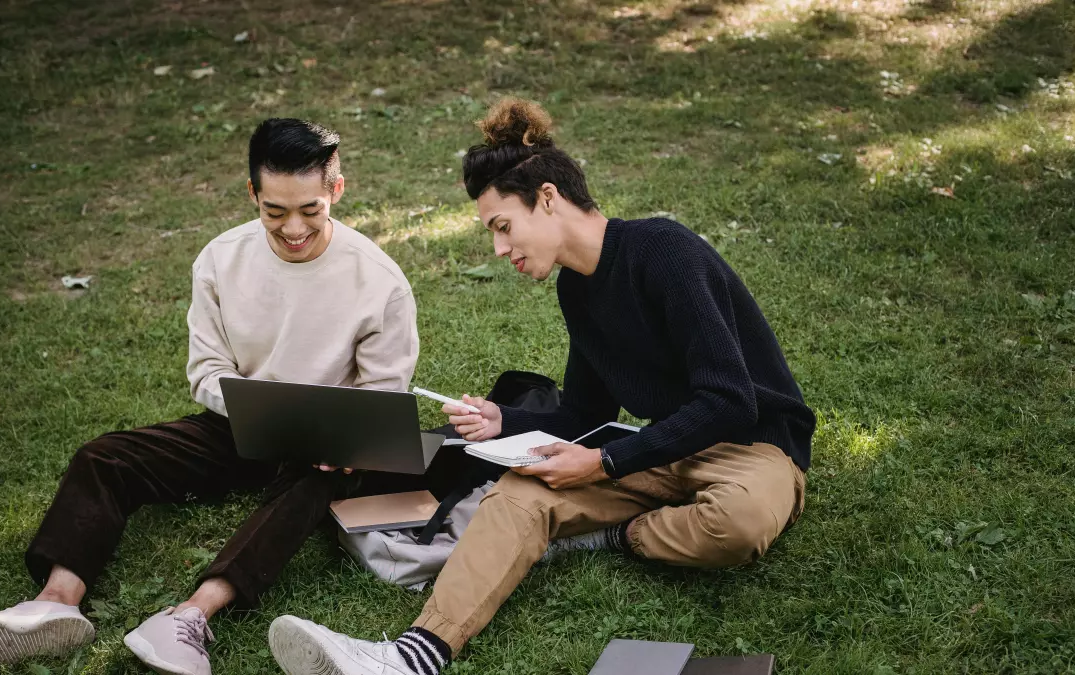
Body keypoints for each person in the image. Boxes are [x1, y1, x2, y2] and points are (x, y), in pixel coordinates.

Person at [266, 98, 818, 675]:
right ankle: (411, 657)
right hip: (661, 450)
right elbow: (586, 411)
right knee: (516, 496)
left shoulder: (664, 252)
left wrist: (605, 461)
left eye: (503, 227)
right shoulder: (577, 290)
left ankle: (610, 536)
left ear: (548, 197)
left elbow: (731, 400)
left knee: (739, 524)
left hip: (755, 448)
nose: (499, 249)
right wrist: (506, 421)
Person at [0, 118, 430, 674]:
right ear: (252, 195)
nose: (293, 229)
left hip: (324, 447)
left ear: (336, 190)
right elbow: (208, 370)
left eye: (310, 210)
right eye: (274, 211)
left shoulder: (380, 281)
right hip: (241, 424)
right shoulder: (221, 259)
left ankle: (192, 616)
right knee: (105, 456)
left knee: (311, 489)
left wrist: (341, 439)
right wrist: (258, 409)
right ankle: (54, 603)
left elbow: (382, 394)